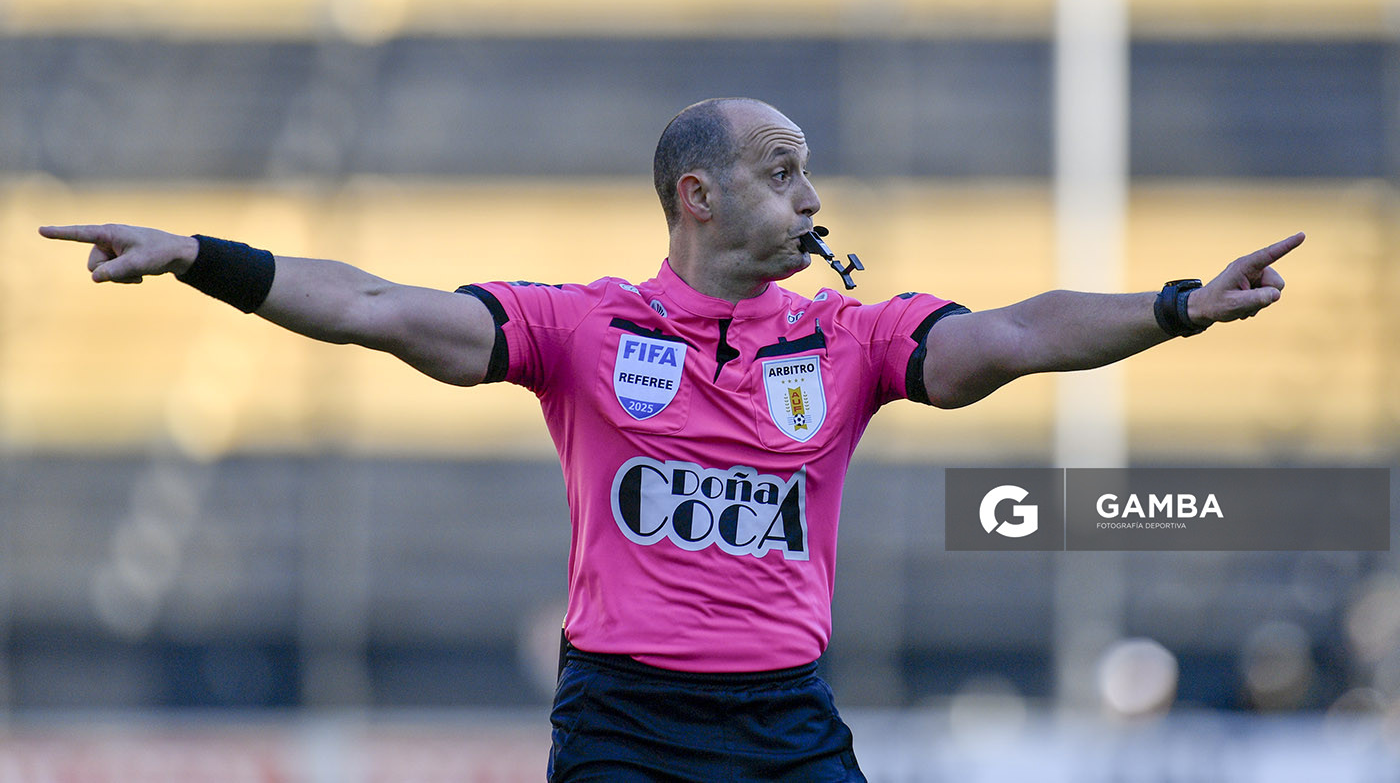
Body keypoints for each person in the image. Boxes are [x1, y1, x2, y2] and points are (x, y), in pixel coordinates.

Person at [41, 97, 1303, 782]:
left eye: (809, 174)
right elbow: (374, 307)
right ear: (696, 195)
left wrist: (1178, 306)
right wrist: (202, 259)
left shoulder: (849, 340)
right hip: (625, 727)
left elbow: (1015, 336)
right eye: (780, 169)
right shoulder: (580, 330)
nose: (812, 201)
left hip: (786, 726)